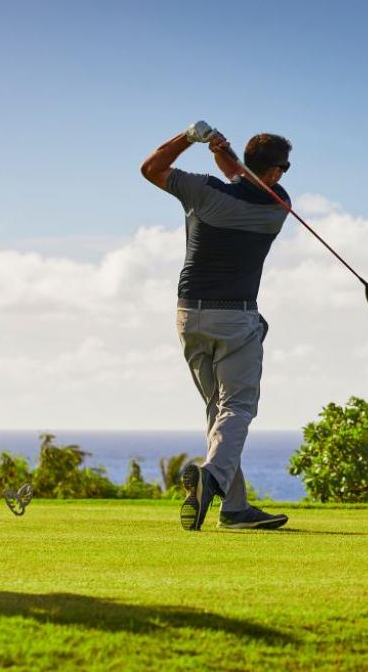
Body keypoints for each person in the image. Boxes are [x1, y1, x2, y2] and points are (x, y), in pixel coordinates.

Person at [140, 122, 293, 530]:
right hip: (236, 316)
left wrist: (191, 138)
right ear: (275, 172)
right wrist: (224, 156)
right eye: (285, 167)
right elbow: (244, 180)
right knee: (238, 406)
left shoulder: (200, 190)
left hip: (188, 315)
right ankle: (212, 477)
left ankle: (234, 508)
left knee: (217, 410)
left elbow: (151, 168)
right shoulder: (277, 205)